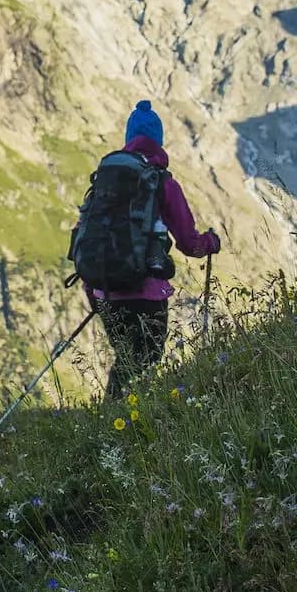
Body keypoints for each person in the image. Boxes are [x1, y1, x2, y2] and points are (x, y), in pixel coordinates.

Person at [83, 100, 220, 401]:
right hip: (144, 291)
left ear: (129, 139)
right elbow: (188, 242)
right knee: (147, 358)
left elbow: (86, 232)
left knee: (127, 359)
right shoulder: (161, 183)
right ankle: (125, 423)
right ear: (157, 141)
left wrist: (92, 287)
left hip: (103, 289)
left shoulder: (106, 180)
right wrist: (210, 243)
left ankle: (118, 420)